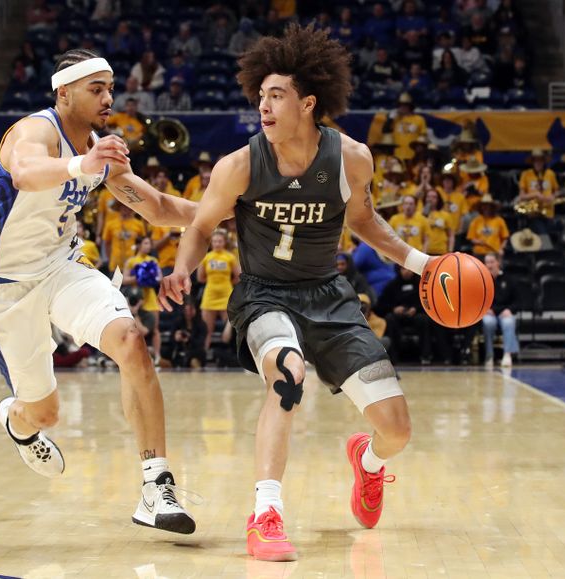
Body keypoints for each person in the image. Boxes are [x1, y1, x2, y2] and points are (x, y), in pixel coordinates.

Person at [159, 25, 437, 561]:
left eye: (277, 96)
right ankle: (266, 514)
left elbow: (365, 222)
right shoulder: (239, 165)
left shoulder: (351, 158)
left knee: (396, 430)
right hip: (264, 295)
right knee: (286, 377)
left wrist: (423, 264)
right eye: (260, 96)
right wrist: (182, 270)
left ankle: (369, 463)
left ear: (308, 103)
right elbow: (198, 226)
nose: (264, 106)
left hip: (330, 297)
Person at [0, 48, 199, 535]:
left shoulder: (98, 147)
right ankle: (18, 421)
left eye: (111, 88)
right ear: (63, 92)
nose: (108, 98)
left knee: (131, 341)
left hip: (62, 267)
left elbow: (155, 207)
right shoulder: (32, 131)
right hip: (4, 288)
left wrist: (226, 213)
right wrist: (81, 165)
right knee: (44, 413)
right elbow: (26, 172)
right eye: (97, 89)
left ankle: (156, 487)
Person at [197, 229, 240, 353]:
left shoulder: (230, 257)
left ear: (224, 242)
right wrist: (214, 283)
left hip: (226, 294)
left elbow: (238, 276)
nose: (217, 243)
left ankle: (233, 355)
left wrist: (226, 283)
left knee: (230, 328)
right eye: (215, 241)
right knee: (206, 330)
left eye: (220, 241)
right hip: (210, 294)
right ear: (211, 243)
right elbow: (200, 277)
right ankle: (203, 355)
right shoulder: (206, 257)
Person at [123, 236, 162, 362]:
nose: (148, 246)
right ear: (139, 245)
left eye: (149, 244)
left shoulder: (153, 260)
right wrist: (138, 278)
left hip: (150, 297)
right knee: (134, 329)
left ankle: (157, 355)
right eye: (145, 243)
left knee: (155, 328)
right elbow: (124, 279)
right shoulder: (131, 261)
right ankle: (137, 355)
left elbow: (159, 278)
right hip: (135, 298)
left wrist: (149, 278)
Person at [481, 253, 519, 368]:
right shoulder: (481, 280)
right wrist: (485, 309)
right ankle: (489, 355)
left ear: (498, 263)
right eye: (487, 262)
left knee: (509, 322)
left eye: (492, 262)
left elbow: (518, 301)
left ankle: (507, 355)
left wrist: (509, 310)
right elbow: (477, 300)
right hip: (489, 313)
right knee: (488, 322)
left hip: (505, 313)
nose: (489, 265)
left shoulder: (509, 279)